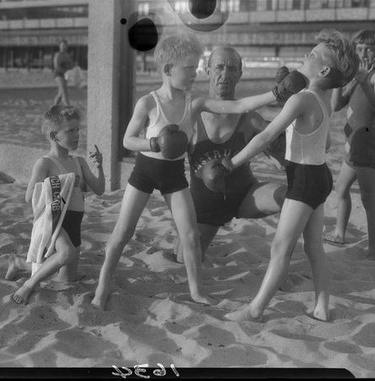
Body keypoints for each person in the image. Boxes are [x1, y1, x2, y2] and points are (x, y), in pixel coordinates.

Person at [91, 32, 301, 311]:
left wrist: (279, 95)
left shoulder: (216, 109)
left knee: (195, 234)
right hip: (172, 189)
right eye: (191, 68)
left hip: (209, 186)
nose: (196, 74)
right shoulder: (164, 105)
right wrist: (154, 143)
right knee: (145, 240)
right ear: (173, 70)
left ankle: (216, 286)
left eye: (231, 68)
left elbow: (248, 114)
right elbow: (130, 141)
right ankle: (104, 285)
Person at [222, 30, 359, 322]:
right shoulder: (323, 100)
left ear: (323, 69)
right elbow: (327, 144)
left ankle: (255, 309)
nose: (305, 55)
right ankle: (321, 307)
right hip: (321, 176)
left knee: (280, 247)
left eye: (312, 54)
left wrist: (232, 162)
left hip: (305, 180)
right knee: (314, 248)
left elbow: (265, 137)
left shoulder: (302, 99)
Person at [173, 46, 288, 264]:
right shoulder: (190, 116)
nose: (225, 74)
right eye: (219, 67)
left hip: (245, 196)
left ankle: (280, 260)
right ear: (207, 71)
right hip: (204, 208)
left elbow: (281, 161)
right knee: (183, 261)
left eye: (232, 69)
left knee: (288, 197)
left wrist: (288, 102)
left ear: (240, 75)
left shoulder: (251, 118)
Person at [10, 104, 106, 305]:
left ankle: (19, 263)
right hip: (54, 219)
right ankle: (29, 284)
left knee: (66, 278)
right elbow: (30, 196)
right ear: (54, 136)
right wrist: (61, 184)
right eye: (70, 131)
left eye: (78, 130)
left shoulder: (79, 162)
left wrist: (100, 167)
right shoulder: (45, 163)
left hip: (74, 222)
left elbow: (99, 189)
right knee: (66, 252)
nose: (77, 135)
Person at [324, 30, 375, 261]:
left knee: (368, 198)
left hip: (366, 143)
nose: (362, 52)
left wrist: (363, 83)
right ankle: (340, 233)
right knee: (341, 190)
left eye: (368, 49)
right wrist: (338, 81)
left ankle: (373, 250)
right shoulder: (357, 76)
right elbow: (336, 105)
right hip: (352, 143)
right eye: (359, 48)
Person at [53, 40, 74, 106]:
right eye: (62, 45)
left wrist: (72, 67)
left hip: (65, 76)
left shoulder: (67, 55)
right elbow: (56, 66)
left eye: (65, 46)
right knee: (64, 93)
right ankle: (68, 109)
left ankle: (52, 111)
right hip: (58, 75)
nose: (63, 47)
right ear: (59, 46)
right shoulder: (58, 55)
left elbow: (71, 65)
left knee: (60, 94)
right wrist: (65, 71)